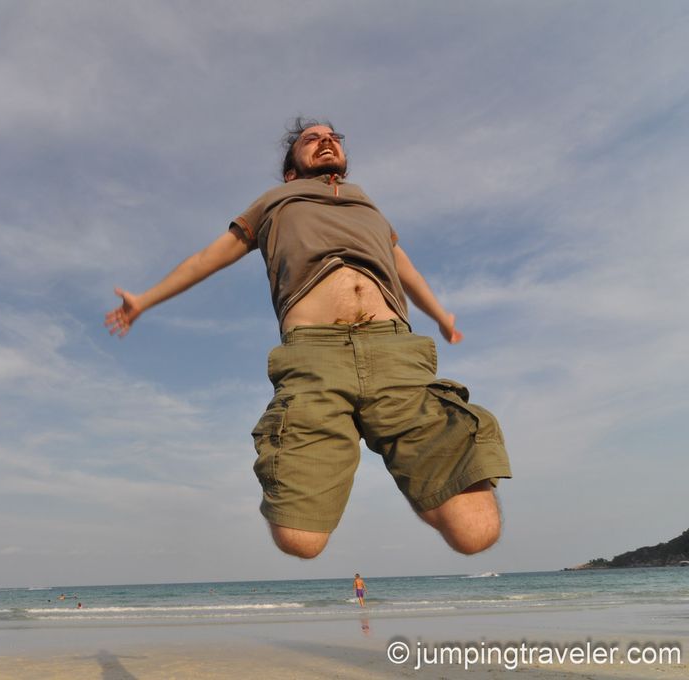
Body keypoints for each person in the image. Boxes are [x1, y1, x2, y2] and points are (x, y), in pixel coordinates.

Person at [106, 117, 512, 560]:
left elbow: (404, 267)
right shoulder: (275, 202)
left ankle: (420, 482)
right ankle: (346, 460)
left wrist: (440, 315)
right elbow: (209, 257)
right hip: (313, 357)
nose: (326, 142)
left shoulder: (367, 207)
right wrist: (145, 300)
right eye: (312, 138)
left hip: (395, 350)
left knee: (477, 534)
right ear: (290, 170)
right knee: (301, 542)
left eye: (333, 137)